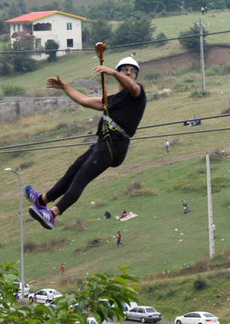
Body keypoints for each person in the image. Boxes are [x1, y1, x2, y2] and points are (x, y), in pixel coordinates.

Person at [25, 57, 147, 229]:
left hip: (113, 147)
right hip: (103, 144)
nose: (129, 72)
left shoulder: (137, 93)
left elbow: (132, 87)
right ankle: (41, 200)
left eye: (132, 71)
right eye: (124, 69)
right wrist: (65, 87)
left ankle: (52, 214)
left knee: (81, 178)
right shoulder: (112, 100)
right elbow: (85, 100)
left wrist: (111, 71)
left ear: (135, 76)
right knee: (72, 172)